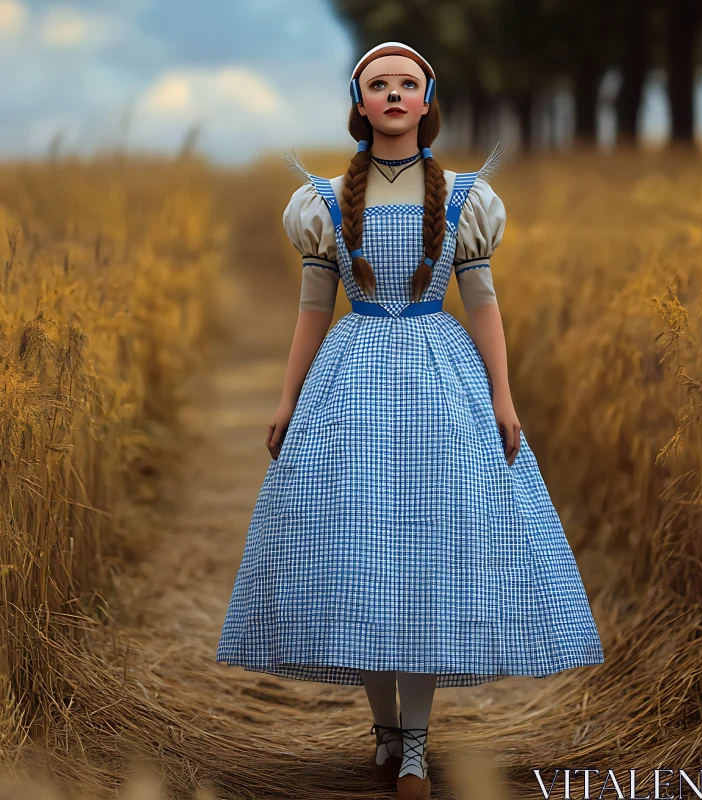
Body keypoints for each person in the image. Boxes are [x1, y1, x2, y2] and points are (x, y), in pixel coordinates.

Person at [216, 41, 604, 800]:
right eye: (378, 85)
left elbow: (484, 306)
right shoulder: (326, 201)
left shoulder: (461, 197)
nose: (393, 95)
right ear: (358, 104)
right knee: (359, 552)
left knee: (428, 557)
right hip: (353, 379)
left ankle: (418, 742)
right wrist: (289, 399)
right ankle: (384, 727)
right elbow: (312, 312)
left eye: (407, 84)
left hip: (439, 378)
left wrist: (503, 395)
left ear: (428, 102)